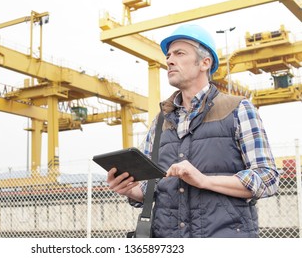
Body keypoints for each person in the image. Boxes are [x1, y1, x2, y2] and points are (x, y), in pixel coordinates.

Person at [107, 23, 280, 238]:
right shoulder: (160, 122)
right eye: (169, 55)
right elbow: (152, 189)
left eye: (179, 53)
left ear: (205, 63)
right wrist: (130, 189)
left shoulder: (238, 109)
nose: (169, 60)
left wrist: (204, 181)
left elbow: (268, 178)